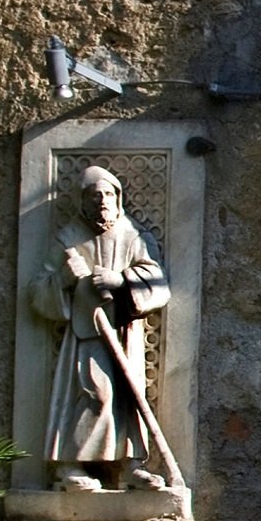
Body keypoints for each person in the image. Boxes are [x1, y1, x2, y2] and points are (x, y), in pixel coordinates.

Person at [32, 163, 172, 490]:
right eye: (95, 195)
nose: (102, 201)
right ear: (83, 200)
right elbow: (37, 291)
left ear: (118, 198)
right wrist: (63, 279)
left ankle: (131, 466)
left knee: (130, 396)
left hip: (125, 332)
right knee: (94, 394)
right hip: (87, 333)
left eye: (108, 194)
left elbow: (158, 282)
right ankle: (69, 466)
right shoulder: (68, 239)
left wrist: (121, 280)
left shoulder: (134, 236)